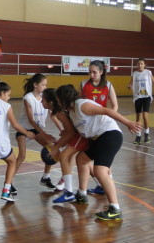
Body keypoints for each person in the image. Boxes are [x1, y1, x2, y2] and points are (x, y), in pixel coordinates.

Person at [53, 84, 141, 220]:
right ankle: (81, 195)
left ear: (64, 98)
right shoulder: (71, 112)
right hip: (98, 138)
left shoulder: (82, 105)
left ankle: (115, 208)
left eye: (58, 99)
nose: (57, 102)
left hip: (110, 135)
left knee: (100, 171)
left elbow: (107, 111)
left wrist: (127, 122)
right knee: (81, 159)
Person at [13, 73, 62, 194]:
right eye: (43, 85)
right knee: (22, 155)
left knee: (52, 148)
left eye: (46, 85)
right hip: (24, 129)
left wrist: (61, 129)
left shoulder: (45, 98)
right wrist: (44, 134)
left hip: (37, 129)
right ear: (35, 85)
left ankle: (46, 177)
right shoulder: (28, 98)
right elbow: (31, 120)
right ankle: (8, 182)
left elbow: (53, 115)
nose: (45, 87)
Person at [80, 60, 118, 196]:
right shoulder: (84, 84)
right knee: (86, 157)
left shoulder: (108, 85)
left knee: (103, 158)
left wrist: (109, 118)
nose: (92, 74)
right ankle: (100, 185)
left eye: (94, 72)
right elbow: (79, 103)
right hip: (89, 127)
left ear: (101, 72)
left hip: (102, 125)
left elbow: (115, 105)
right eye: (89, 72)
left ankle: (108, 184)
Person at [127, 58, 154, 144]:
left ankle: (146, 134)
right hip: (137, 97)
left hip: (146, 96)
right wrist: (129, 86)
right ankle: (138, 136)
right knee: (138, 117)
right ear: (137, 65)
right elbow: (130, 84)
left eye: (141, 64)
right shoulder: (134, 74)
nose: (140, 65)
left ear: (144, 65)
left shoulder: (148, 72)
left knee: (145, 115)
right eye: (138, 64)